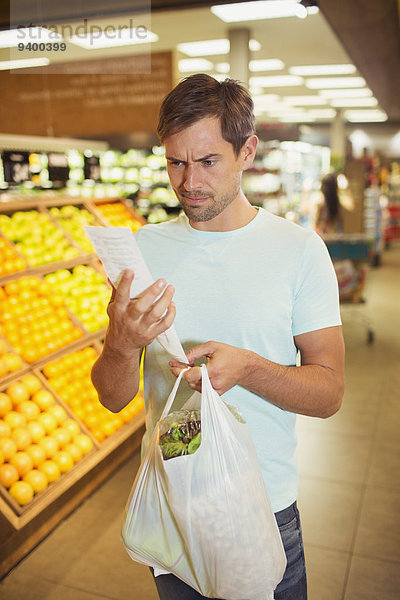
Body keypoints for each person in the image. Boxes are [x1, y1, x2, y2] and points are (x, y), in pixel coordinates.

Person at [91, 73, 345, 600]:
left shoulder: (298, 250)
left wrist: (250, 369)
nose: (189, 182)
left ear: (246, 151)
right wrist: (121, 342)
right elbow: (113, 398)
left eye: (207, 162)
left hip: (263, 508)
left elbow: (329, 393)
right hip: (174, 502)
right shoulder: (142, 250)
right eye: (175, 163)